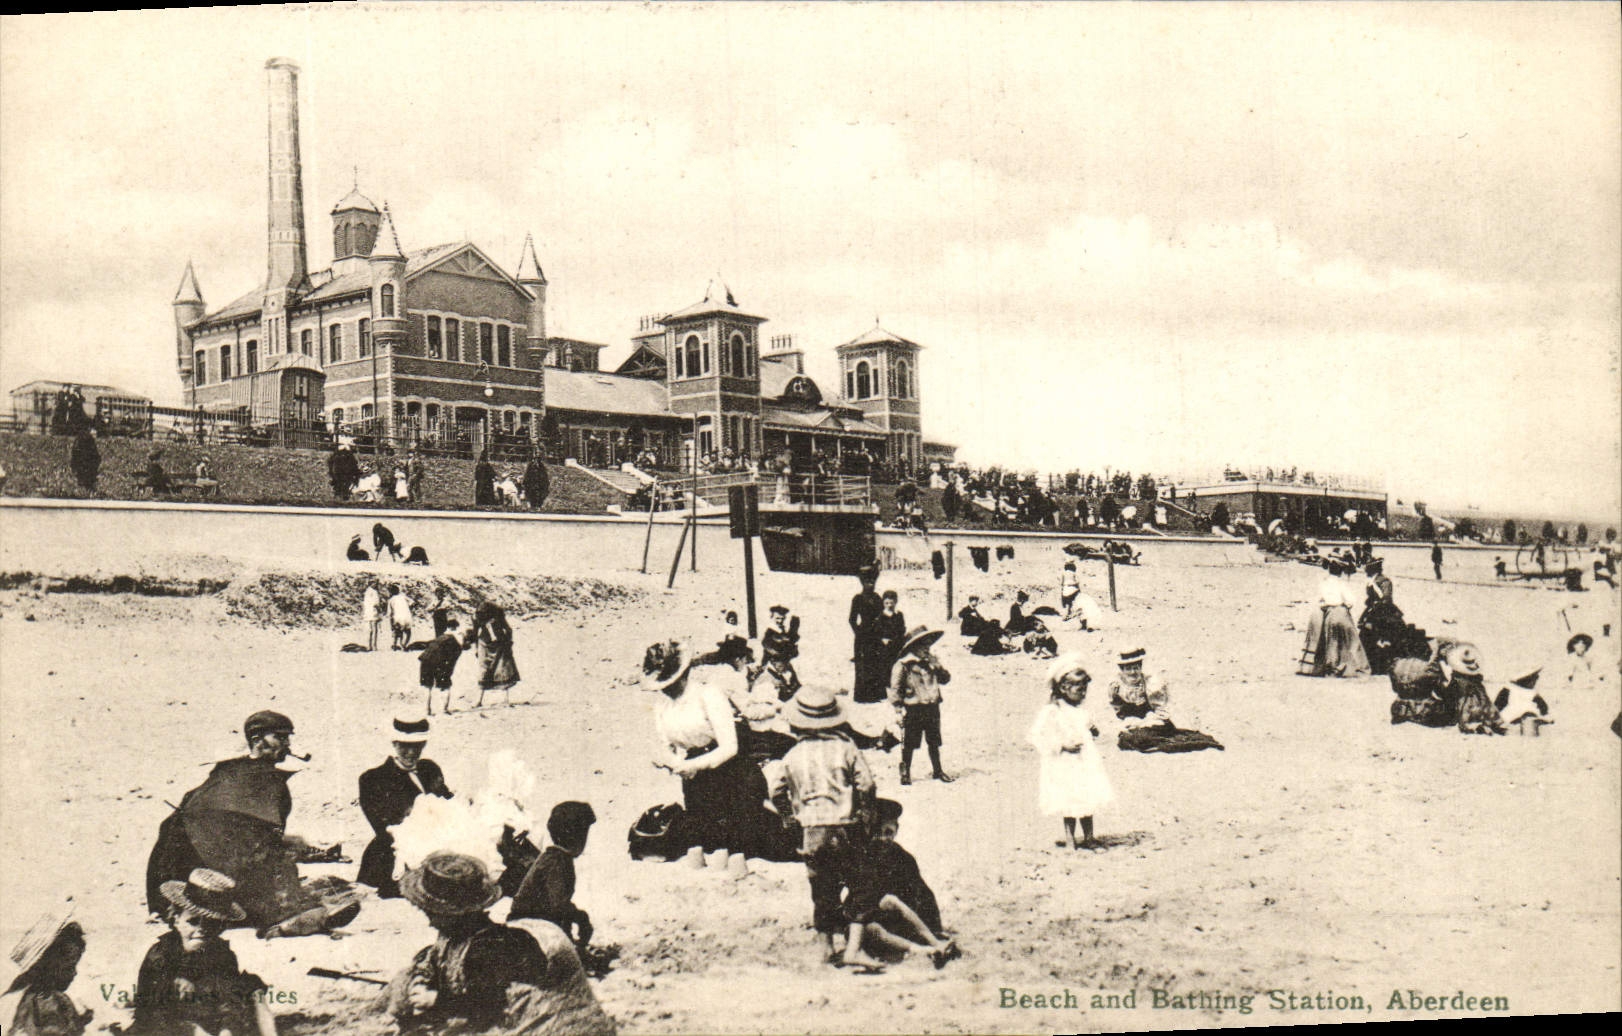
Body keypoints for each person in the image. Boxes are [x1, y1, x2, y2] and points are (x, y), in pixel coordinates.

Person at [387, 852, 616, 1036]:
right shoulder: (455, 936)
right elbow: (435, 961)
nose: (429, 920)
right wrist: (423, 980)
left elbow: (487, 1006)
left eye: (432, 913)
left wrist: (436, 1000)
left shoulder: (493, 947)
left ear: (452, 914)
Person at [769, 688, 878, 970]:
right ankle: (853, 948)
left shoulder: (793, 754)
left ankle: (826, 948)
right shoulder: (846, 748)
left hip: (812, 829)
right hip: (845, 826)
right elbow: (866, 785)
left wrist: (789, 817)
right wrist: (866, 813)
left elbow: (776, 790)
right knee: (860, 884)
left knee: (822, 890)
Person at [644, 640, 769, 867]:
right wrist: (668, 761)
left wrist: (694, 766)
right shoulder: (662, 706)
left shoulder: (708, 695)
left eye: (669, 682)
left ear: (683, 674)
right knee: (697, 844)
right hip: (694, 777)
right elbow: (667, 745)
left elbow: (730, 746)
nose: (666, 688)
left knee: (730, 850)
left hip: (729, 772)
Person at [132, 869, 277, 1036]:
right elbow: (150, 1014)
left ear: (219, 926)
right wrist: (194, 1030)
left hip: (210, 1017)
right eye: (192, 922)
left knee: (251, 988)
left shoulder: (221, 953)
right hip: (170, 1026)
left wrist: (226, 1029)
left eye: (210, 924)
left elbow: (229, 1001)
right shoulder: (161, 957)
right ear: (175, 919)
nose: (201, 930)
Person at [842, 799, 958, 968]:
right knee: (871, 930)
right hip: (869, 918)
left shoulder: (903, 858)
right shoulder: (862, 856)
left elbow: (922, 894)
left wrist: (934, 926)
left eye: (888, 832)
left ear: (896, 831)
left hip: (900, 918)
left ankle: (933, 943)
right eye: (877, 833)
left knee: (891, 902)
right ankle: (926, 950)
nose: (883, 838)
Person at [357, 717, 453, 899]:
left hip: (439, 842)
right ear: (394, 743)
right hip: (394, 852)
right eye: (404, 746)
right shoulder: (373, 778)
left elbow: (447, 802)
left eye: (417, 746)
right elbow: (382, 826)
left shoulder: (430, 769)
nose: (411, 752)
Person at [1029, 656, 1114, 851]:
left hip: (1085, 763)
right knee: (1068, 801)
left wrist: (1093, 730)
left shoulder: (1081, 711)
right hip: (1065, 764)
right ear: (1063, 688)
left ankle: (1089, 837)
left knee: (1087, 798)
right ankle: (1069, 839)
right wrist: (1061, 745)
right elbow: (1036, 735)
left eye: (1084, 689)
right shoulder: (1052, 711)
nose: (1082, 693)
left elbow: (1088, 729)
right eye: (1077, 688)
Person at [510, 801, 597, 951]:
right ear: (577, 836)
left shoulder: (554, 857)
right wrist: (580, 918)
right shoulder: (557, 862)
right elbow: (558, 907)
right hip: (529, 928)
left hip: (529, 923)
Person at [1108, 647, 1224, 753]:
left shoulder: (1150, 683)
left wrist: (1146, 722)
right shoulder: (1117, 687)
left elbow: (1160, 709)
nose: (1133, 672)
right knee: (1125, 739)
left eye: (1136, 668)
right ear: (1122, 670)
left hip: (1154, 721)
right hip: (1132, 723)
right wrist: (1129, 721)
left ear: (1140, 668)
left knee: (1144, 737)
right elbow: (1118, 709)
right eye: (1128, 669)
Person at [2, 910, 92, 1036]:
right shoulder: (33, 1002)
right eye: (69, 966)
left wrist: (81, 1021)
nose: (74, 973)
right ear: (47, 966)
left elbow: (71, 1029)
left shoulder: (60, 999)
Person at [1390, 640, 1505, 734]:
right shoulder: (1430, 668)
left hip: (1399, 709)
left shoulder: (1396, 664)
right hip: (1424, 712)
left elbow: (1395, 688)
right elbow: (1442, 693)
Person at [890, 627, 953, 786]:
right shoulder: (903, 665)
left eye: (928, 646)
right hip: (914, 708)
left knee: (934, 741)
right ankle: (906, 773)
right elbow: (895, 689)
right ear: (913, 647)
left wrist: (937, 666)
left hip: (932, 707)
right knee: (909, 742)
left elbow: (945, 679)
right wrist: (898, 710)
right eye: (923, 646)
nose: (927, 649)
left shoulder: (931, 662)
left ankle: (937, 770)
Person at [1298, 562, 1370, 677]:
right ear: (1340, 572)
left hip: (1328, 614)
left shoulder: (1323, 583)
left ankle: (1333, 669)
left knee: (1332, 642)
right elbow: (1351, 601)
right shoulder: (1342, 583)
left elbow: (1319, 601)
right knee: (1352, 640)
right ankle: (1360, 668)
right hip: (1341, 611)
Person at [848, 564, 888, 704]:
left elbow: (883, 615)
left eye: (872, 582)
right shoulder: (858, 599)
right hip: (863, 635)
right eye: (867, 582)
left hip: (876, 634)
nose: (870, 585)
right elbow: (852, 620)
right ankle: (862, 695)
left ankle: (876, 694)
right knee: (863, 664)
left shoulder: (878, 598)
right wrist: (859, 633)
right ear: (862, 583)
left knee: (876, 663)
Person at [472, 601, 521, 707]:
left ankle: (505, 700)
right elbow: (474, 634)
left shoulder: (498, 616)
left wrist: (508, 644)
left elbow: (508, 630)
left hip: (500, 644)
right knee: (484, 670)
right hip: (484, 644)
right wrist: (476, 648)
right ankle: (479, 700)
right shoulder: (477, 617)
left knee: (503, 670)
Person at [419, 617, 465, 716]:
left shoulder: (439, 637)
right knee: (446, 686)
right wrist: (448, 673)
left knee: (428, 686)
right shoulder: (456, 639)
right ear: (455, 628)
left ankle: (427, 710)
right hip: (439, 663)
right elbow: (453, 659)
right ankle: (444, 709)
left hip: (425, 660)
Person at [756, 605, 802, 701]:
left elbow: (790, 644)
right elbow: (768, 646)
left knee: (793, 684)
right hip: (773, 663)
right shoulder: (770, 632)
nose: (780, 621)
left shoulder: (782, 630)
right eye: (777, 618)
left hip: (783, 662)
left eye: (782, 618)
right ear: (771, 617)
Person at [873, 591, 907, 684]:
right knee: (886, 666)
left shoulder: (899, 615)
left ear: (896, 602)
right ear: (883, 603)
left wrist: (900, 638)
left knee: (897, 665)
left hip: (897, 644)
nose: (889, 605)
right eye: (886, 603)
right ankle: (886, 685)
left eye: (891, 603)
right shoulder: (880, 617)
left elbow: (902, 629)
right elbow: (877, 632)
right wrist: (882, 639)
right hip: (885, 647)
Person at [69, 428, 99, 494]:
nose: (95, 436)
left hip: (83, 465)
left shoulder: (80, 440)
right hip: (86, 466)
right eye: (94, 434)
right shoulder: (88, 441)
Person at [388, 584, 414, 651]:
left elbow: (389, 612)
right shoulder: (403, 597)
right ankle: (404, 645)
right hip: (407, 616)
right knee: (408, 632)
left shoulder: (391, 600)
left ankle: (395, 644)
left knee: (398, 632)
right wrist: (409, 607)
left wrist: (391, 621)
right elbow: (412, 602)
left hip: (398, 617)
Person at [363, 582, 384, 652]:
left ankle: (369, 646)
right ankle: (374, 646)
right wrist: (380, 611)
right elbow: (376, 603)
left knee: (369, 630)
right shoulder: (374, 592)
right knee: (374, 629)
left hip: (367, 612)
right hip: (373, 612)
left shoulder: (367, 591)